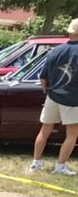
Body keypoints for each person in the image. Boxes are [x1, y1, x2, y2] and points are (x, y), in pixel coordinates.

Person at [28, 17, 78, 176]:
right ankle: (60, 166)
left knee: (45, 130)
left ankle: (35, 164)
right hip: (73, 99)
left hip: (53, 96)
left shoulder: (55, 51)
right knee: (72, 134)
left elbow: (43, 77)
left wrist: (48, 92)